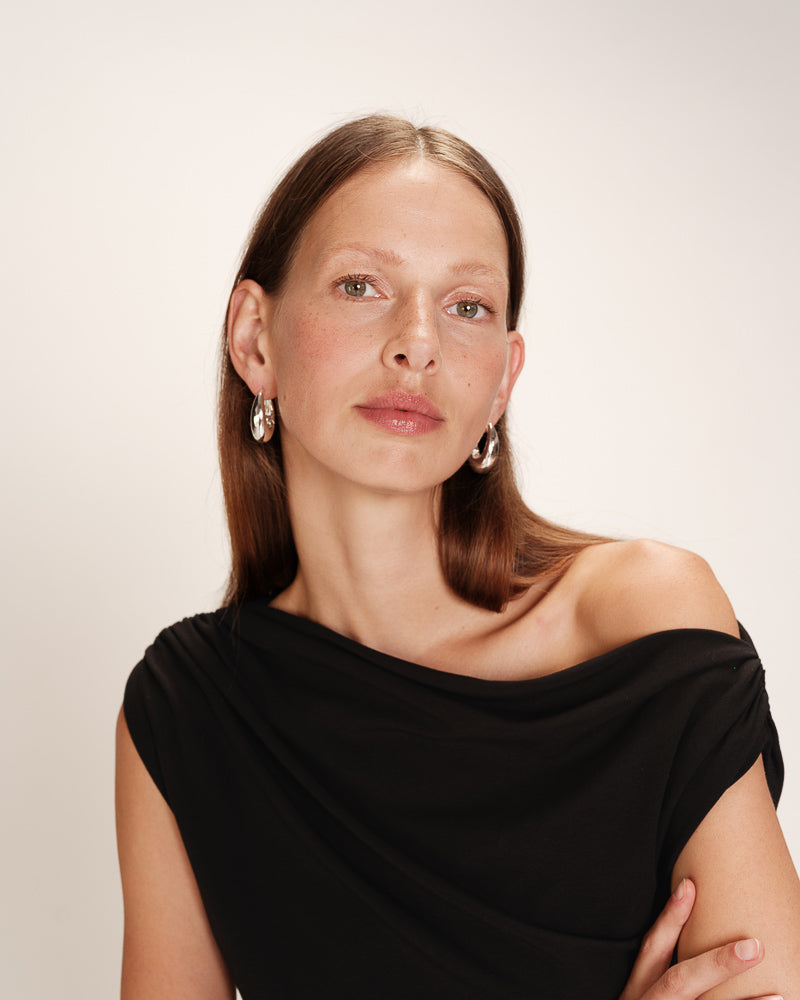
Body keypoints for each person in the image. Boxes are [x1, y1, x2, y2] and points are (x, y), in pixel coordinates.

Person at [115, 115, 800, 999]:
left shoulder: (645, 621)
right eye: (361, 285)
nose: (419, 343)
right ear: (254, 338)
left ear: (503, 377)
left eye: (466, 305)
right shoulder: (188, 712)